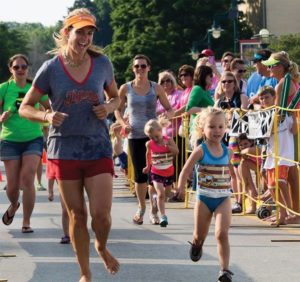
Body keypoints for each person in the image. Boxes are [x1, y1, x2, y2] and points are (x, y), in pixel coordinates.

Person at [19, 8, 120, 281]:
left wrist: (109, 107)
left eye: (89, 32)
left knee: (102, 216)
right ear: (67, 33)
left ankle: (100, 244)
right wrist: (47, 115)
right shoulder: (51, 69)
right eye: (80, 32)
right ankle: (85, 274)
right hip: (64, 149)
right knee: (77, 214)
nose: (85, 38)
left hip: (97, 146)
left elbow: (116, 97)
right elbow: (25, 107)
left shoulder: (102, 63)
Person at [115, 54, 174, 225]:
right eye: (136, 66)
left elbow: (170, 109)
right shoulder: (126, 88)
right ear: (133, 69)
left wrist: (164, 119)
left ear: (149, 68)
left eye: (143, 66)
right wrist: (122, 124)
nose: (140, 69)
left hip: (154, 138)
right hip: (135, 136)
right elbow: (117, 110)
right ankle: (141, 208)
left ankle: (154, 211)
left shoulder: (156, 88)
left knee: (155, 176)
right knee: (141, 175)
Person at [177, 107, 234, 282]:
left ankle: (224, 270)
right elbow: (186, 170)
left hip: (223, 198)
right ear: (203, 128)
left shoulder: (228, 151)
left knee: (221, 233)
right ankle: (196, 245)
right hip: (204, 198)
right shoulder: (200, 150)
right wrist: (180, 188)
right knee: (199, 235)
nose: (216, 131)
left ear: (225, 127)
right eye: (211, 127)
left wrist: (240, 191)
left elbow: (233, 172)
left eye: (220, 126)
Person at [0, 54, 48, 233]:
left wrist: (47, 117)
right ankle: (14, 205)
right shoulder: (4, 89)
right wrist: (2, 117)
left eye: (23, 67)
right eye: (16, 67)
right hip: (10, 139)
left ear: (28, 69)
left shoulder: (34, 89)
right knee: (12, 186)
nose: (20, 70)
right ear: (10, 69)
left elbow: (48, 107)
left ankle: (26, 222)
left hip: (32, 138)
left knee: (28, 178)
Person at [262, 51, 300, 223]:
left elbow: (279, 113)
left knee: (285, 174)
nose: (269, 68)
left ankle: (293, 213)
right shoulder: (287, 82)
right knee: (288, 173)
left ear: (280, 67)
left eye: (272, 65)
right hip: (290, 128)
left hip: (287, 130)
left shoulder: (283, 84)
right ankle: (289, 213)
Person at [258, 86, 297, 225]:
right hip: (271, 155)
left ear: (274, 97)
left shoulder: (284, 112)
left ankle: (291, 212)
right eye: (261, 98)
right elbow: (262, 136)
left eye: (267, 97)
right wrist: (271, 122)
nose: (264, 100)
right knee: (272, 186)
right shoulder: (263, 115)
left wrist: (292, 115)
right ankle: (282, 214)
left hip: (284, 154)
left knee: (281, 181)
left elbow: (294, 130)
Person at [143, 118, 179, 226]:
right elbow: (148, 155)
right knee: (161, 194)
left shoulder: (168, 140)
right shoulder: (149, 144)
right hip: (156, 172)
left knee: (167, 195)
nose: (154, 139)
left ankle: (155, 200)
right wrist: (147, 166)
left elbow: (176, 151)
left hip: (169, 172)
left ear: (160, 130)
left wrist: (167, 146)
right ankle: (163, 216)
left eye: (156, 136)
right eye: (151, 137)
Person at [237, 133, 262, 214]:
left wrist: (242, 152)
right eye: (241, 145)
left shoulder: (253, 148)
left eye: (245, 144)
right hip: (257, 168)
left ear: (251, 142)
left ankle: (253, 206)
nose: (243, 146)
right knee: (241, 166)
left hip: (262, 168)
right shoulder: (245, 153)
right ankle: (252, 206)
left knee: (243, 163)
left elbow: (252, 151)